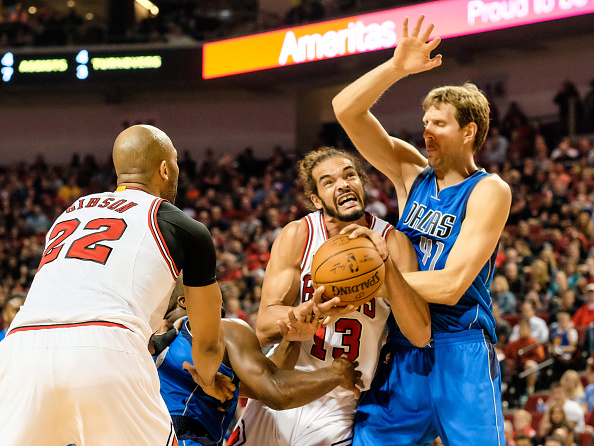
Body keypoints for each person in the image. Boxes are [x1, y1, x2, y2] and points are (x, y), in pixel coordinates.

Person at [333, 15, 512, 445]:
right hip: (405, 344)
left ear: (469, 132)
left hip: (460, 346)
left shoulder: (488, 190)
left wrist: (375, 282)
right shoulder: (410, 172)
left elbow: (451, 285)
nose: (426, 131)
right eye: (425, 121)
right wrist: (395, 68)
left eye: (439, 123)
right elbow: (346, 109)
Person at [0, 125, 234, 446]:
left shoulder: (70, 213)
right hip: (105, 349)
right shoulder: (182, 225)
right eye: (176, 162)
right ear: (165, 169)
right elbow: (207, 344)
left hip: (19, 352)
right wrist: (207, 378)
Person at [232, 146, 430, 445]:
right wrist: (304, 314)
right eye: (329, 181)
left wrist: (385, 264)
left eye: (350, 175)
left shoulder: (393, 242)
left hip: (342, 396)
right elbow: (264, 325)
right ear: (316, 199)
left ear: (362, 185)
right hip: (284, 380)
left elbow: (419, 333)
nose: (343, 184)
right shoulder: (299, 234)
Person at [154, 277, 363, 446]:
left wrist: (291, 341)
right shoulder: (226, 330)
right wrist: (336, 373)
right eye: (210, 282)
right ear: (186, 300)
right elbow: (276, 392)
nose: (219, 290)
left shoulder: (148, 342)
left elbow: (260, 386)